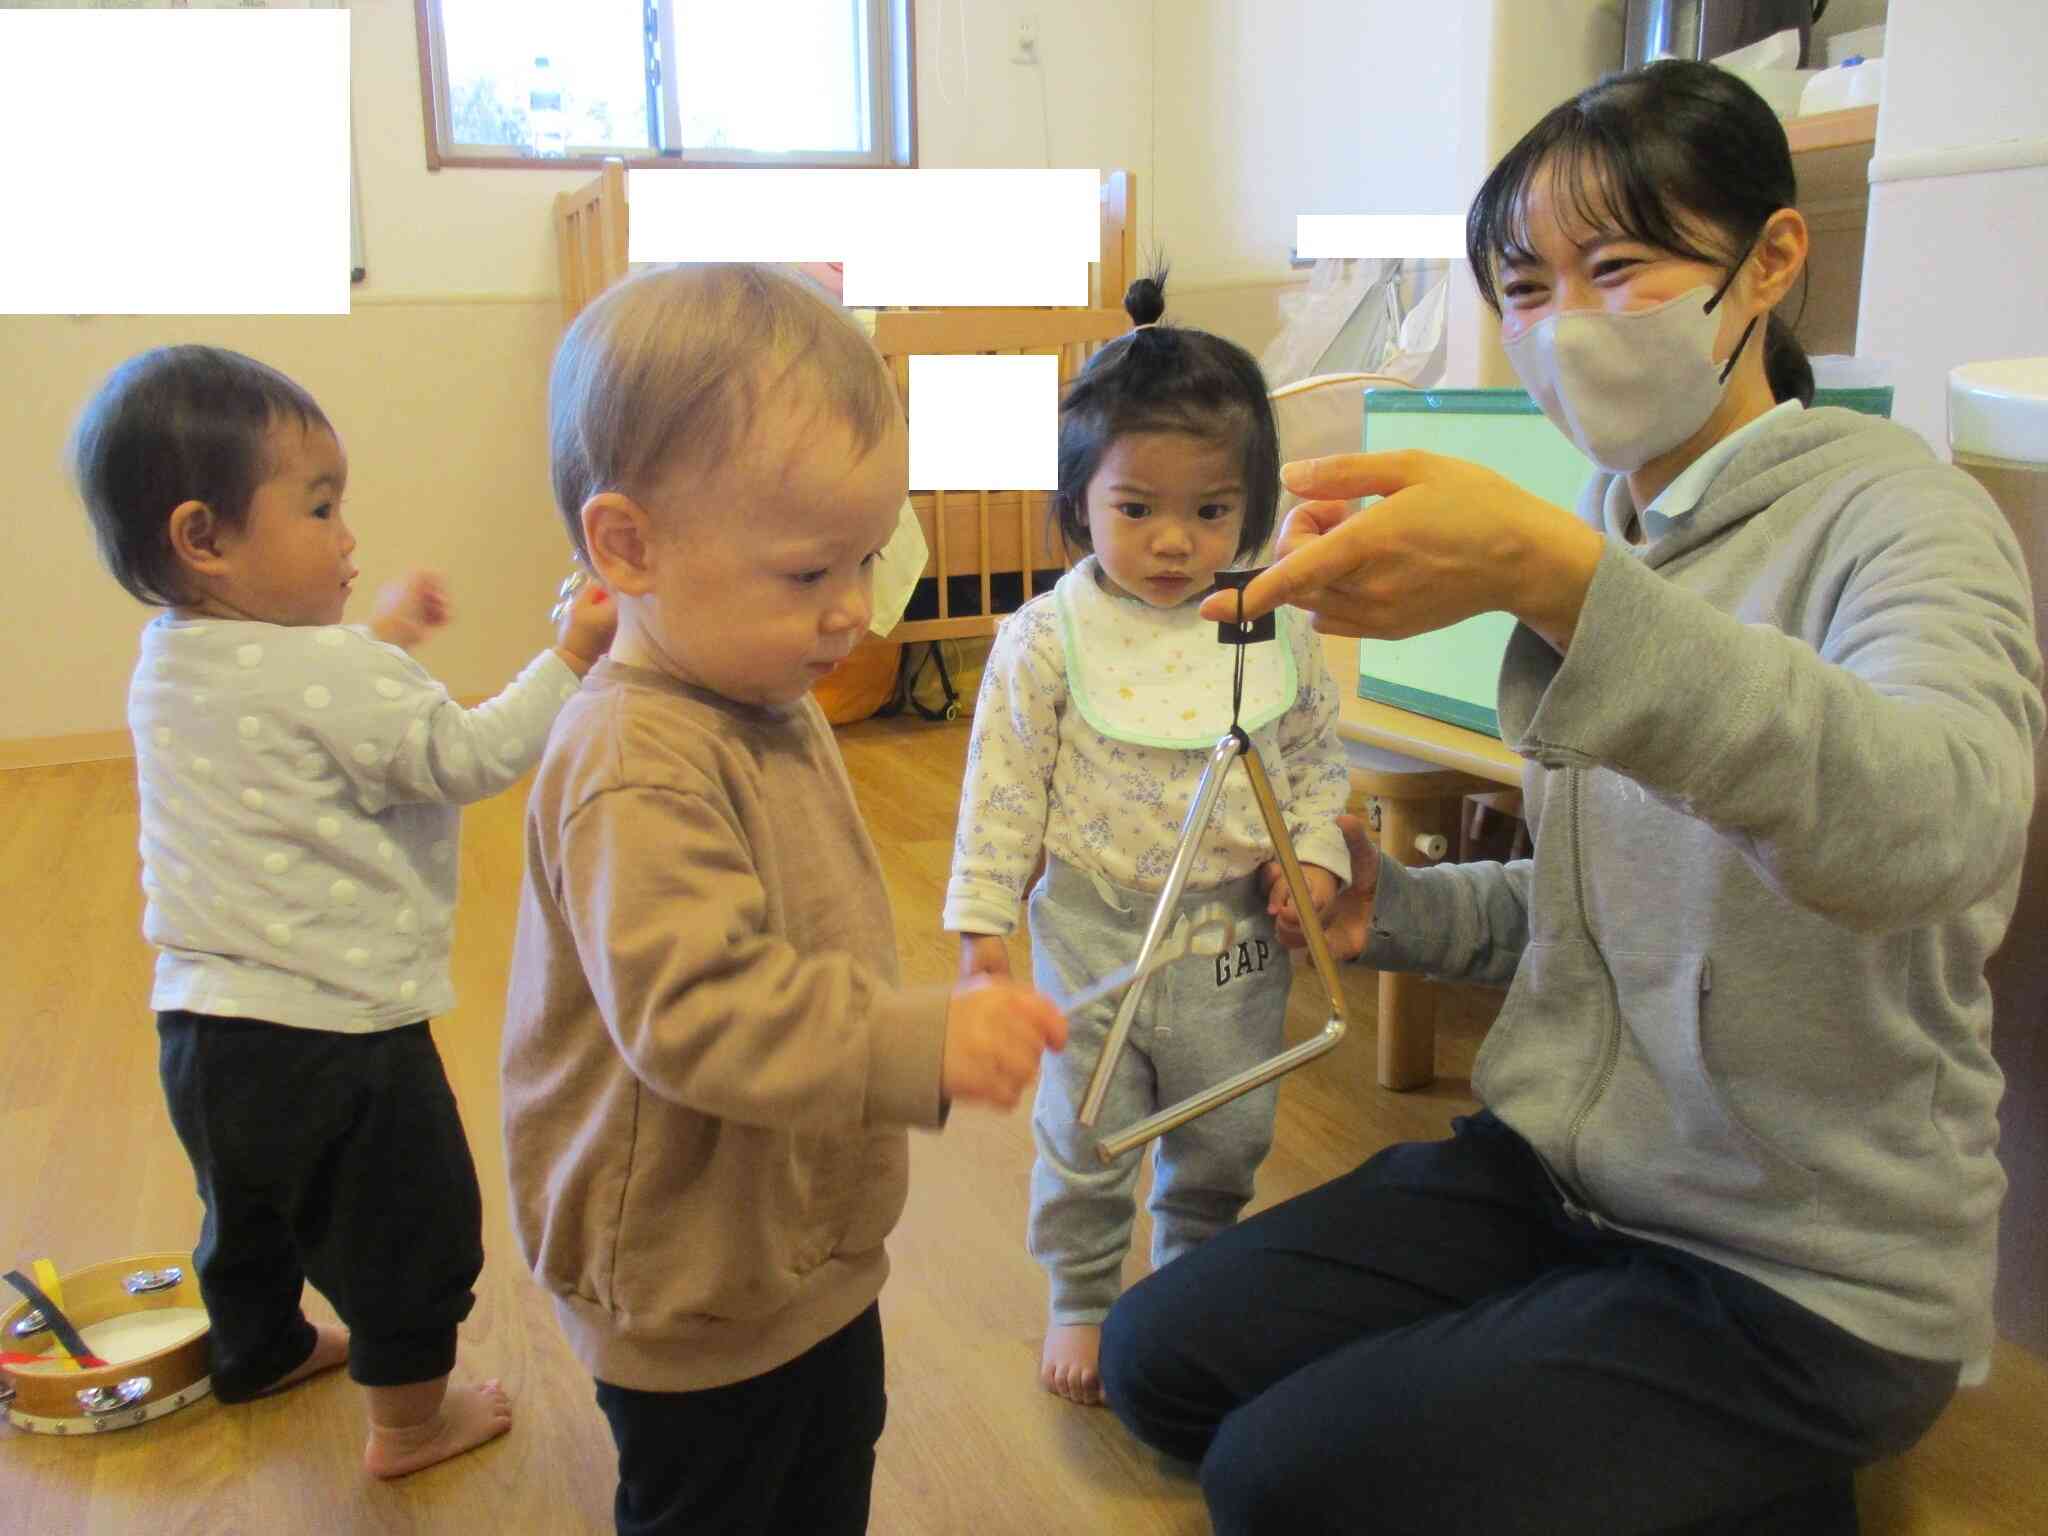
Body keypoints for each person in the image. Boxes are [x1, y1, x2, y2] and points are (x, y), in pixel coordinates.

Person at [1098, 60, 2046, 1535]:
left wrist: (1562, 585)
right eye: (1526, 289)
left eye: (1617, 268)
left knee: (1279, 1487)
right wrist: (1387, 905)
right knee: (1161, 1362)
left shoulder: (1901, 513)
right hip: (1557, 1183)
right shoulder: (1629, 537)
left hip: (1795, 1269)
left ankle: (1774, 1466)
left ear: (1770, 261)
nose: (1560, 328)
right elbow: (1614, 901)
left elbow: (1939, 830)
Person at [501, 263, 1069, 1536]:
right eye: (808, 573)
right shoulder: (631, 759)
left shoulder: (753, 687)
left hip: (794, 1250)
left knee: (823, 1475)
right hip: (688, 1276)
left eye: (863, 560)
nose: (852, 612)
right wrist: (921, 1040)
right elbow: (697, 1009)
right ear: (628, 546)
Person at [69, 344, 616, 1478]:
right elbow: (464, 756)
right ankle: (411, 1423)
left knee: (250, 1212)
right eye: (319, 507)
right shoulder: (332, 679)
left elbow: (296, 714)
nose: (348, 535)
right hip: (341, 1041)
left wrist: (390, 637)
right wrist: (567, 655)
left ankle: (259, 1347)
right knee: (411, 1231)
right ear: (203, 538)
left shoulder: (172, 659)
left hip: (203, 1031)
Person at [944, 274, 1354, 1407]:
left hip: (1234, 938)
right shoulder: (1045, 639)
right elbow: (1002, 788)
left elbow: (1315, 760)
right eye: (1136, 510)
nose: (1174, 543)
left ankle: (1191, 1268)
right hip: (1092, 926)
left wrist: (1314, 852)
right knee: (1087, 1125)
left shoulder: (1275, 629)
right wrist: (981, 923)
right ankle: (1080, 1289)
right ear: (1080, 505)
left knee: (1225, 1127)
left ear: (1251, 510)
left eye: (1210, 512)